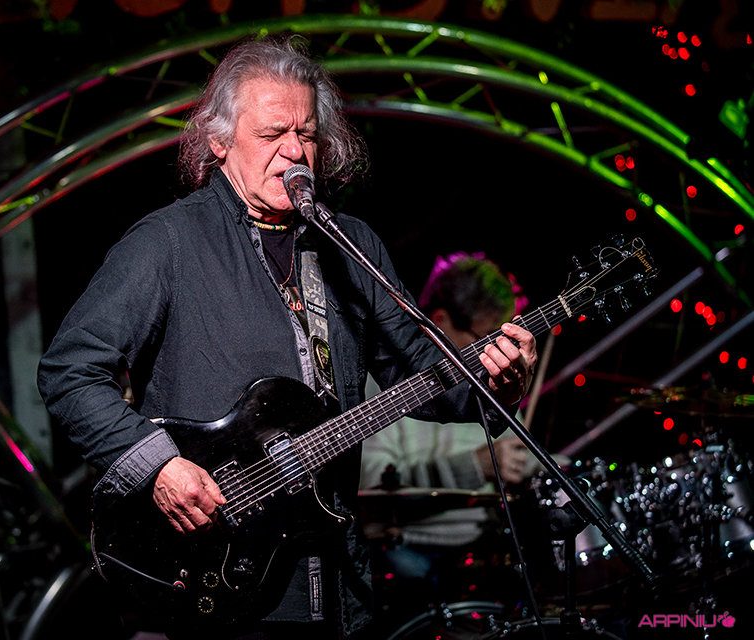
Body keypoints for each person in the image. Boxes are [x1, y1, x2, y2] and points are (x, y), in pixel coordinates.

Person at [36, 34, 537, 640]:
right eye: (272, 134)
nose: (294, 151)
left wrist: (498, 383)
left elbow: (423, 376)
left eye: (307, 134)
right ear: (219, 141)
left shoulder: (351, 246)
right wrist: (159, 467)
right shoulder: (168, 243)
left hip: (334, 582)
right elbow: (69, 372)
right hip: (210, 579)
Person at [359, 253, 542, 624]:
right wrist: (472, 466)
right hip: (411, 553)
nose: (495, 352)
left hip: (486, 552)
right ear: (440, 321)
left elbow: (531, 458)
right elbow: (371, 484)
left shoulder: (489, 383)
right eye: (485, 338)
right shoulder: (383, 383)